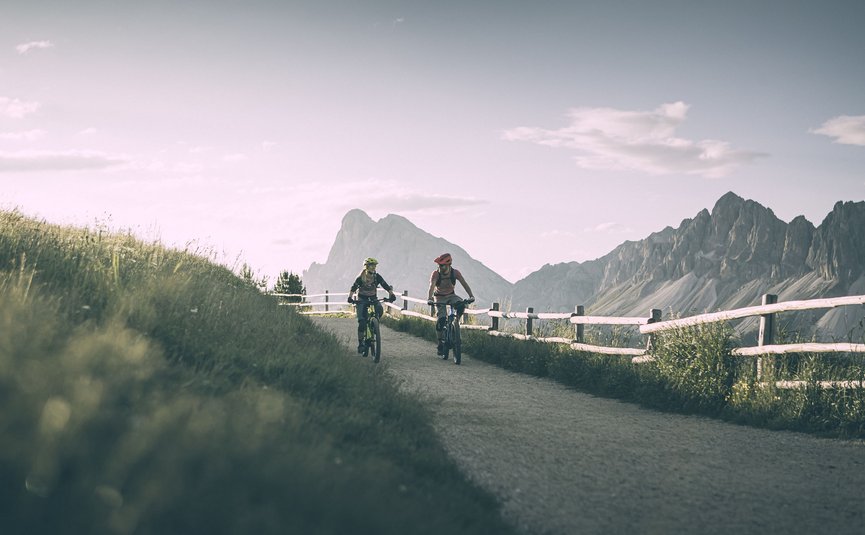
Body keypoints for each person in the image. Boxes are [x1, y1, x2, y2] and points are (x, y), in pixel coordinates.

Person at [426, 253, 475, 356]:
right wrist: (430, 298)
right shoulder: (436, 274)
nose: (440, 267)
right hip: (439, 297)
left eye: (442, 265)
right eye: (439, 265)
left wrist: (471, 295)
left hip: (451, 295)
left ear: (448, 265)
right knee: (442, 319)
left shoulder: (455, 273)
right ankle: (440, 343)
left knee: (461, 304)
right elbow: (431, 286)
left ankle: (455, 323)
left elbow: (464, 283)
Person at [348, 257, 396, 354]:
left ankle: (374, 325)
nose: (374, 267)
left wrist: (391, 294)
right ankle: (361, 343)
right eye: (371, 265)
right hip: (362, 300)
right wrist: (350, 297)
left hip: (373, 299)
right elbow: (353, 288)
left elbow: (385, 285)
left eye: (375, 266)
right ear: (366, 267)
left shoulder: (377, 276)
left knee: (379, 310)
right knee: (362, 322)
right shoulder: (361, 278)